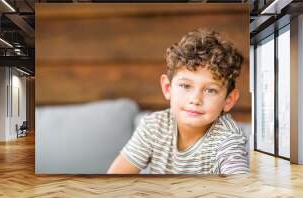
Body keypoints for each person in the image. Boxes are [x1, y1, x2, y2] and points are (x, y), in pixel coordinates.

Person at [107, 28, 249, 174]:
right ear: (168, 88)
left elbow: (239, 185)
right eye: (186, 86)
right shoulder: (154, 127)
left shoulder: (228, 140)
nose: (195, 100)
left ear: (229, 100)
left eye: (210, 90)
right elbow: (113, 179)